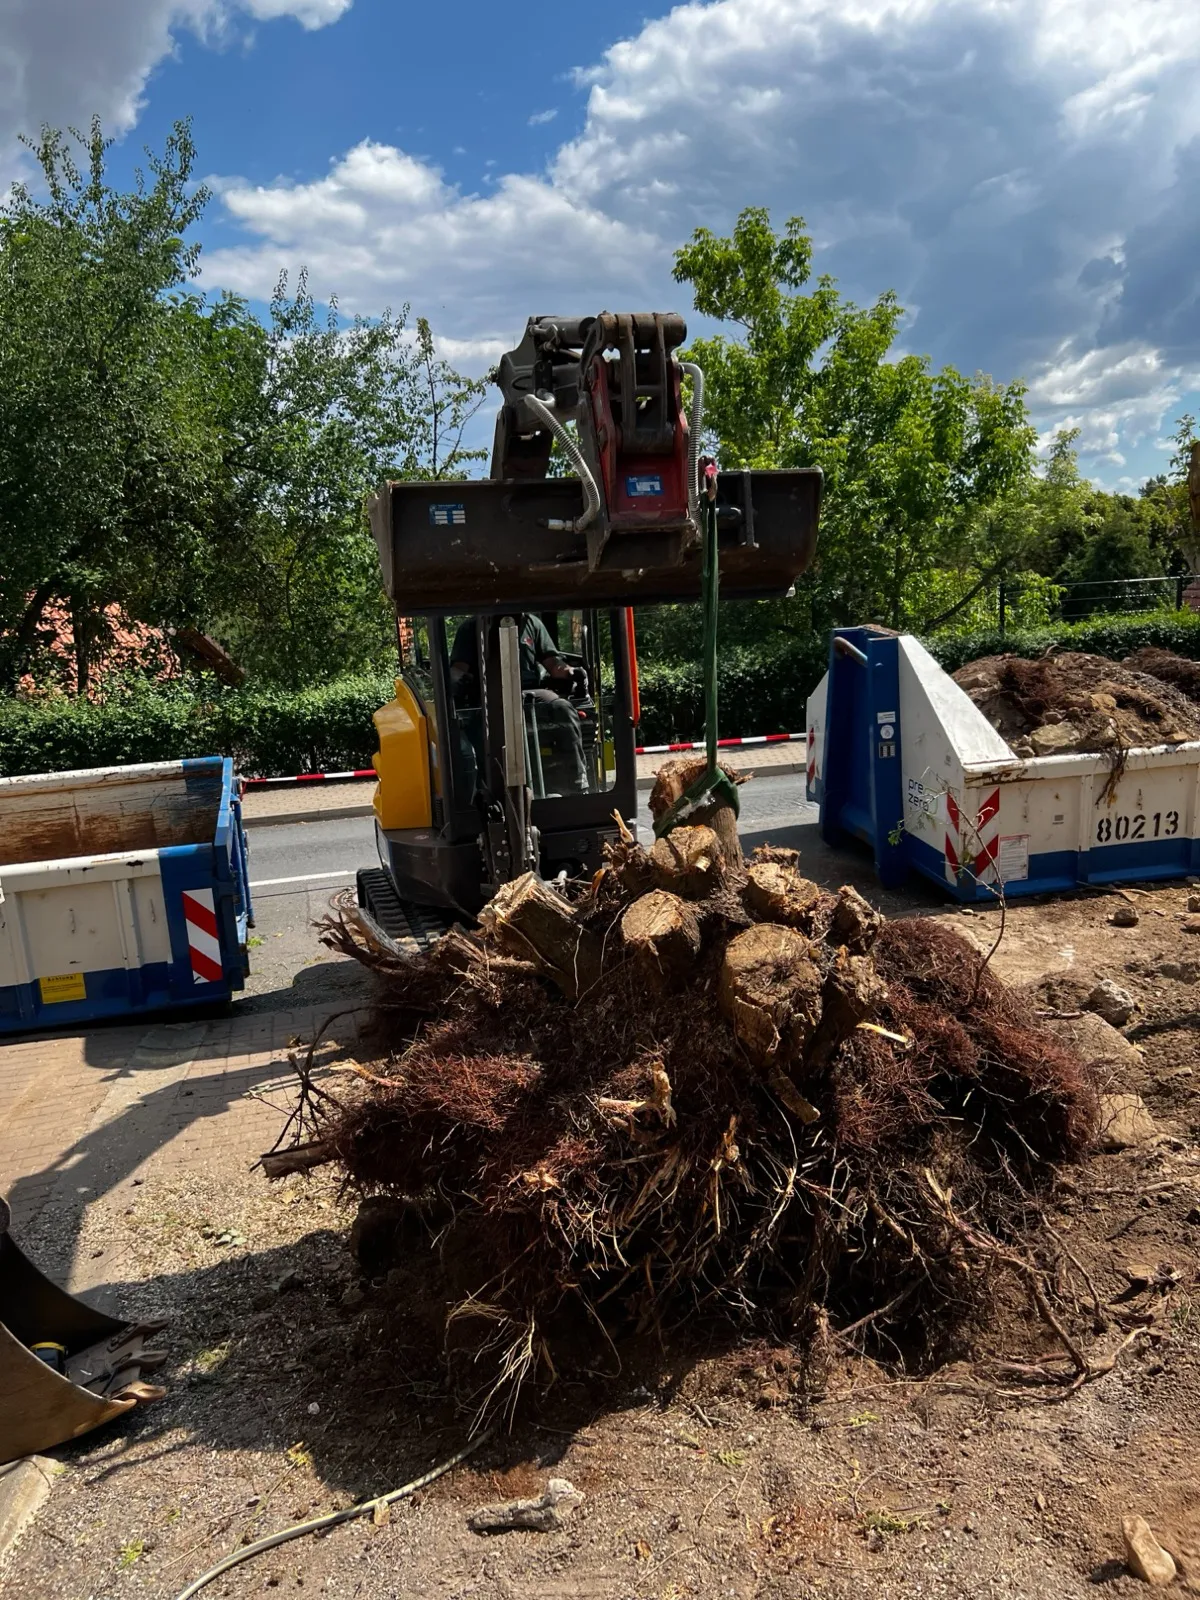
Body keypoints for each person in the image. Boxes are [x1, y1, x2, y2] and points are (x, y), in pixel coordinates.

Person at [449, 614, 588, 792]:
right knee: (487, 725)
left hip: (529, 692)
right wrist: (457, 680)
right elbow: (458, 669)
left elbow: (553, 664)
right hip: (488, 696)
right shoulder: (470, 627)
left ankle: (576, 779)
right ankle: (490, 788)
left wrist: (572, 672)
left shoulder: (531, 623)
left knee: (563, 708)